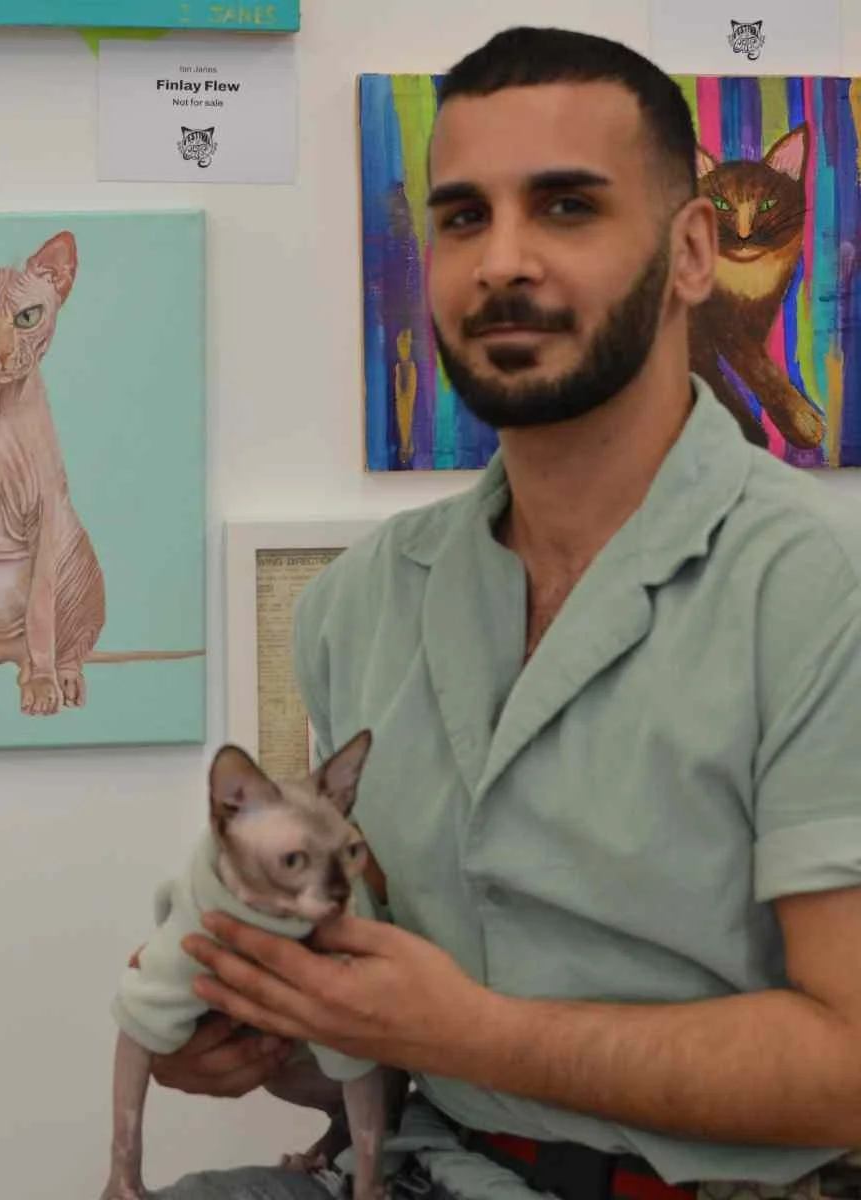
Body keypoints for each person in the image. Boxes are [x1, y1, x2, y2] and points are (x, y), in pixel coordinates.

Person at [139, 25, 861, 1200]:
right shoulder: (355, 607)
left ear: (690, 254)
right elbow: (403, 1048)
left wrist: (466, 1033)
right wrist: (268, 1030)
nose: (501, 262)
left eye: (567, 208)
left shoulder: (824, 588)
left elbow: (848, 1069)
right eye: (463, 217)